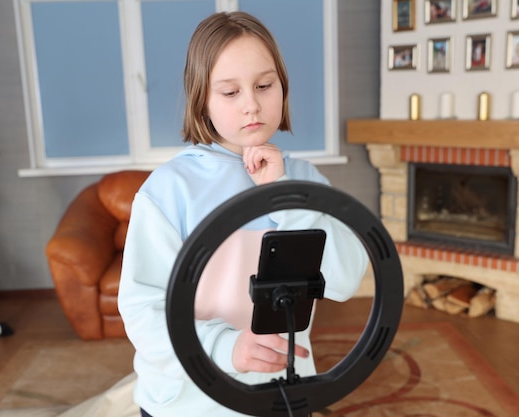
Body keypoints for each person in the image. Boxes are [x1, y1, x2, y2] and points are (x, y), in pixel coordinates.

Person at [117, 11, 369, 417]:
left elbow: (343, 281)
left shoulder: (306, 180)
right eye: (230, 93)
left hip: (281, 395)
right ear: (203, 99)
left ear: (282, 87)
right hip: (189, 404)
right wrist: (223, 346)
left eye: (264, 85)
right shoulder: (168, 190)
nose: (252, 104)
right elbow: (142, 308)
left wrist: (283, 194)